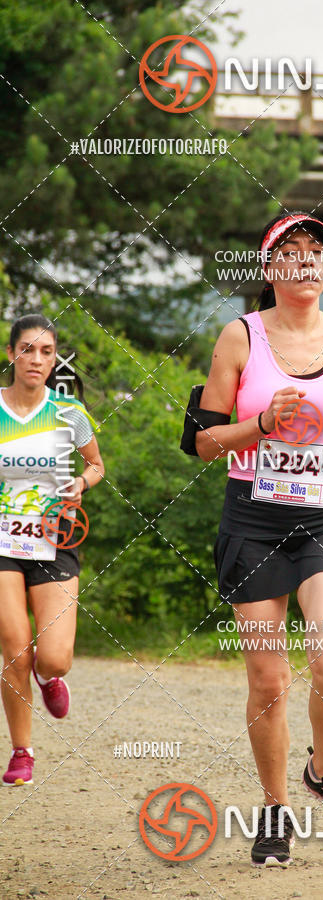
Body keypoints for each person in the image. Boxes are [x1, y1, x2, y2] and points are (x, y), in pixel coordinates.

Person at [195, 212, 323, 866]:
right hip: (253, 519)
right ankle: (275, 808)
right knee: (268, 679)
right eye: (291, 253)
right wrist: (262, 423)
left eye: (316, 254)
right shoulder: (240, 338)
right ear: (270, 269)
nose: (306, 264)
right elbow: (203, 441)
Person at [0, 314, 104, 786]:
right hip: (2, 540)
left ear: (54, 357)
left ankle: (49, 677)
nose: (36, 359)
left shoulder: (70, 413)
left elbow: (97, 466)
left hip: (54, 537)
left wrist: (80, 483)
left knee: (54, 657)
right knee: (15, 650)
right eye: (27, 350)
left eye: (45, 351)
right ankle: (22, 750)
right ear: (11, 355)